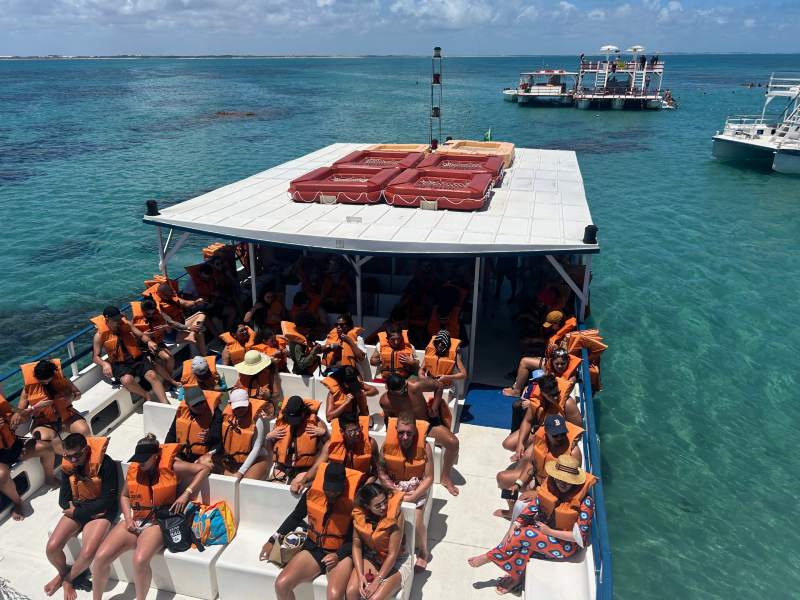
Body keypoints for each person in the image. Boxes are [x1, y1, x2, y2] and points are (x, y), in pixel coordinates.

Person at [91, 434, 210, 600]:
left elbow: (204, 469)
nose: (140, 463)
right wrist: (128, 517)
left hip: (157, 524)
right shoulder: (135, 470)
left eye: (144, 459)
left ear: (155, 456)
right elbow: (124, 496)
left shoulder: (173, 466)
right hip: (135, 520)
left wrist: (186, 494)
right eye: (138, 459)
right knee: (100, 557)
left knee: (139, 560)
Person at [467, 454, 595, 595]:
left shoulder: (585, 502)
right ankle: (516, 578)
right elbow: (534, 505)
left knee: (523, 536)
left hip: (565, 544)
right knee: (522, 541)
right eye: (560, 479)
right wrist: (516, 524)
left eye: (567, 481)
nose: (562, 484)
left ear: (575, 482)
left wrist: (549, 532)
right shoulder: (551, 488)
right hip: (544, 534)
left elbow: (580, 538)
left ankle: (489, 557)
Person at [259, 462, 363, 600]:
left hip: (341, 553)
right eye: (328, 489)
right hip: (314, 548)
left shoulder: (355, 503)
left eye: (336, 491)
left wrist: (338, 555)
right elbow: (295, 517)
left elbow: (355, 541)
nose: (331, 494)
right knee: (281, 585)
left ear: (344, 485)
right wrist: (272, 540)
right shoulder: (312, 493)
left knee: (334, 596)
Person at [44, 434, 118, 600]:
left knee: (87, 553)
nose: (73, 459)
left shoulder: (106, 464)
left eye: (77, 455)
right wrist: (76, 510)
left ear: (86, 450)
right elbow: (63, 500)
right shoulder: (69, 466)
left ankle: (68, 580)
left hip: (101, 512)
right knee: (51, 548)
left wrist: (78, 512)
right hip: (80, 508)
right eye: (68, 456)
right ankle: (63, 573)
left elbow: (107, 501)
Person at [380, 375, 460, 496]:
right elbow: (389, 419)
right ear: (388, 389)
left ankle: (445, 477)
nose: (404, 393)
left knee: (453, 443)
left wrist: (434, 407)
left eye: (404, 389)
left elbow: (439, 385)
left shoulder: (415, 386)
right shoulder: (385, 401)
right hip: (406, 430)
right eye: (399, 392)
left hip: (426, 425)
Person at [494, 415, 583, 520]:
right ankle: (512, 511)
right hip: (537, 479)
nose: (560, 437)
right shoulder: (541, 441)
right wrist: (518, 484)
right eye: (555, 435)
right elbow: (531, 464)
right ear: (547, 433)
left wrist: (537, 493)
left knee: (524, 502)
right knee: (502, 478)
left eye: (563, 433)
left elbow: (568, 487)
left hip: (554, 492)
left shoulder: (573, 453)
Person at [376, 414, 434, 571]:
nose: (405, 437)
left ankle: (423, 552)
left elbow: (429, 478)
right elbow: (381, 472)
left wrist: (414, 495)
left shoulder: (425, 447)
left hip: (417, 487)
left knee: (416, 519)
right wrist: (393, 490)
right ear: (396, 430)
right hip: (393, 487)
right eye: (401, 432)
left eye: (409, 432)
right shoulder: (387, 446)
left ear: (415, 431)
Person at [91, 306, 169, 404]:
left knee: (152, 375)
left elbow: (141, 335)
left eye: (119, 318)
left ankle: (165, 402)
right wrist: (104, 364)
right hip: (120, 363)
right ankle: (147, 395)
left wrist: (149, 342)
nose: (118, 321)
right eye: (115, 320)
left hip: (137, 358)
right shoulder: (99, 335)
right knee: (127, 380)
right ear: (107, 320)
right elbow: (95, 357)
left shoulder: (126, 324)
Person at [0, 391, 57, 521]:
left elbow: (21, 417)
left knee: (46, 448)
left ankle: (49, 477)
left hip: (14, 445)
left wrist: (25, 412)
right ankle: (17, 502)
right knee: (1, 475)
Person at [347, 483, 408, 600]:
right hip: (373, 557)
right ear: (367, 506)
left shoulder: (397, 515)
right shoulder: (359, 516)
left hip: (396, 561)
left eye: (384, 501)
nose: (384, 507)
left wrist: (376, 582)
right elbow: (357, 546)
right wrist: (360, 577)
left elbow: (393, 554)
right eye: (378, 505)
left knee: (373, 599)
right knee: (351, 592)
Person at [292, 412, 379, 493]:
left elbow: (377, 470)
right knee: (299, 483)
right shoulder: (330, 445)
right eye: (351, 431)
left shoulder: (371, 444)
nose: (356, 433)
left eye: (358, 429)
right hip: (337, 483)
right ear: (342, 431)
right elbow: (317, 467)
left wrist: (365, 486)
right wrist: (303, 481)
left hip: (360, 484)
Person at [503, 374, 581, 460]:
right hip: (542, 431)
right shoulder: (537, 401)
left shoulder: (568, 404)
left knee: (527, 457)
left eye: (556, 393)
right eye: (551, 395)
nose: (555, 397)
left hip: (558, 436)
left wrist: (571, 442)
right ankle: (529, 447)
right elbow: (527, 421)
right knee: (508, 444)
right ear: (543, 393)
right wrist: (520, 443)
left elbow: (577, 427)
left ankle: (532, 451)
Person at [18, 358, 89, 454]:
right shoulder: (28, 388)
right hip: (44, 423)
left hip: (66, 417)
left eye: (48, 380)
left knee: (84, 431)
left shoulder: (62, 379)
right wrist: (35, 407)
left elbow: (78, 394)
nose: (46, 383)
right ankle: (68, 462)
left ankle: (85, 460)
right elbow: (20, 415)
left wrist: (71, 397)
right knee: (46, 440)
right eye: (42, 382)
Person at [267, 395, 328, 483]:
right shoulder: (280, 422)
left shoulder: (316, 423)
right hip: (283, 466)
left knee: (296, 486)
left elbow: (329, 447)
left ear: (303, 413)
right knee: (275, 485)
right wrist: (268, 437)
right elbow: (269, 449)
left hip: (306, 468)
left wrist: (324, 434)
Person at [215, 389, 270, 481]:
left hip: (256, 459)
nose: (240, 410)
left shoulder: (257, 420)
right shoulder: (226, 417)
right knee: (205, 461)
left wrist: (241, 472)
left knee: (246, 481)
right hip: (233, 460)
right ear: (230, 404)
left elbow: (256, 448)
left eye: (243, 406)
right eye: (237, 407)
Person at [165, 385, 222, 467]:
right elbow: (172, 434)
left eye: (201, 402)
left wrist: (210, 437)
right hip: (182, 455)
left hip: (202, 458)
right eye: (195, 405)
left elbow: (219, 443)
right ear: (188, 405)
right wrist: (167, 451)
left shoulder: (216, 414)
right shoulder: (181, 412)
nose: (200, 406)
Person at [145, 282, 208, 355]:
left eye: (171, 291)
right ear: (162, 294)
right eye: (170, 292)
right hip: (171, 334)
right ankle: (204, 356)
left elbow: (185, 303)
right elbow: (171, 322)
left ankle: (191, 335)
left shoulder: (171, 297)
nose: (173, 293)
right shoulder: (158, 308)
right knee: (199, 333)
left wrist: (195, 302)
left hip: (181, 325)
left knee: (201, 314)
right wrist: (189, 328)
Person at [130, 297, 179, 388]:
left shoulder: (158, 316)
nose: (151, 315)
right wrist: (144, 335)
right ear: (142, 310)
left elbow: (168, 332)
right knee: (154, 363)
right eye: (148, 313)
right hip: (143, 346)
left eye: (152, 313)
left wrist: (166, 328)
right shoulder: (135, 320)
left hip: (157, 342)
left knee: (169, 358)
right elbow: (132, 339)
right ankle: (170, 381)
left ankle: (168, 380)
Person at [503, 346, 580, 397]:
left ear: (568, 362)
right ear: (552, 361)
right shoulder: (548, 364)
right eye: (557, 363)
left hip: (553, 388)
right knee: (524, 361)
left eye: (563, 364)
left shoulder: (571, 377)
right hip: (548, 372)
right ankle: (517, 391)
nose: (559, 366)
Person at [234, 350, 282, 417]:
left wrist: (268, 395)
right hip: (246, 407)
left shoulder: (269, 373)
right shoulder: (242, 376)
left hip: (263, 407)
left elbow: (276, 394)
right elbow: (236, 391)